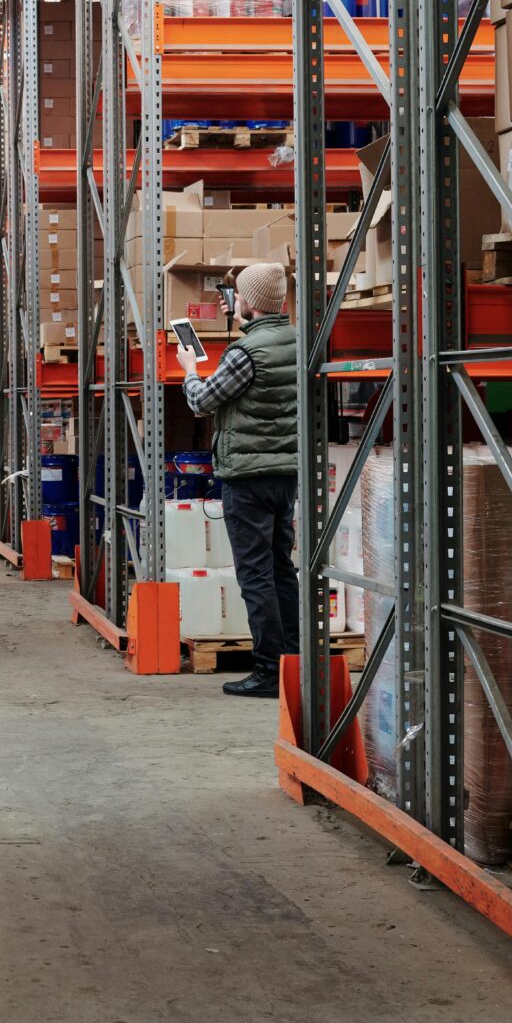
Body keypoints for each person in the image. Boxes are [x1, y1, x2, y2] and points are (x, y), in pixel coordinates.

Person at [175, 262, 299, 699]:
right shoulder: (298, 341)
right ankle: (295, 660)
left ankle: (267, 671)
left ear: (248, 301)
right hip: (286, 475)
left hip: (248, 477)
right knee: (282, 568)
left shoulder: (246, 353)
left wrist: (190, 368)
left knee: (255, 574)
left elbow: (202, 402)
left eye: (238, 295)